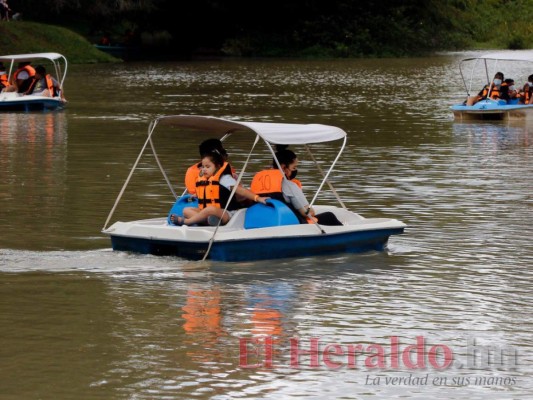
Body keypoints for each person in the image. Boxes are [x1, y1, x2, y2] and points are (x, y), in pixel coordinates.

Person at [171, 150, 268, 226]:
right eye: (203, 167)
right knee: (186, 210)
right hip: (209, 213)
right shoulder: (205, 179)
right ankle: (209, 222)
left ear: (217, 166)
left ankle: (187, 222)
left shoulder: (224, 178)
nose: (204, 169)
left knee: (210, 210)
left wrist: (257, 198)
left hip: (227, 214)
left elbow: (241, 190)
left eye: (208, 167)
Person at [250, 147, 343, 226]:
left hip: (262, 221)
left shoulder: (258, 181)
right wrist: (311, 211)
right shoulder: (290, 185)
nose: (295, 170)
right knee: (329, 216)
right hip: (289, 223)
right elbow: (307, 213)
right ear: (283, 167)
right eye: (294, 167)